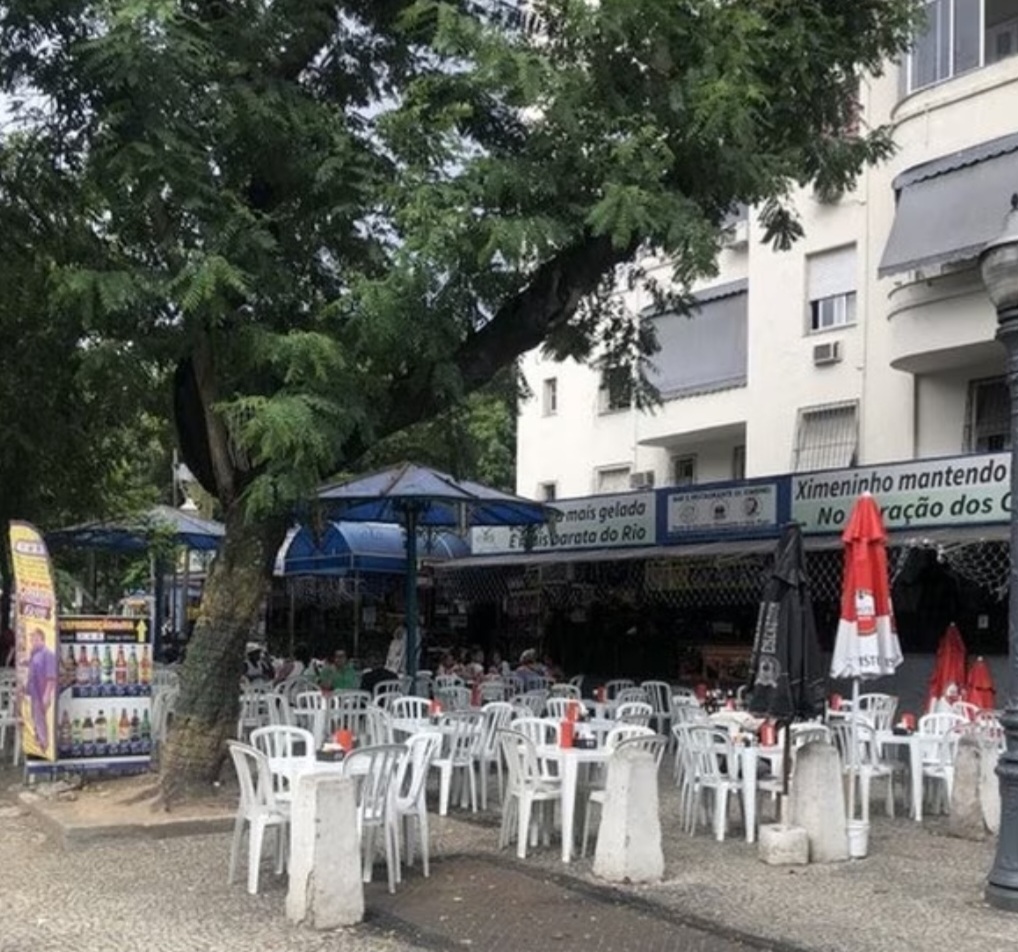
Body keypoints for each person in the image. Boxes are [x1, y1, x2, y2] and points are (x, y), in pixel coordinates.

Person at [26, 628, 57, 752]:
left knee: (40, 719)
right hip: (34, 693)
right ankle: (39, 742)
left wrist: (47, 695)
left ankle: (44, 745)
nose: (33, 641)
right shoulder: (35, 654)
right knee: (35, 717)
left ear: (42, 639)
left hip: (42, 693)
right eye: (32, 639)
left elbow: (51, 677)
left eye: (36, 639)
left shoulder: (48, 654)